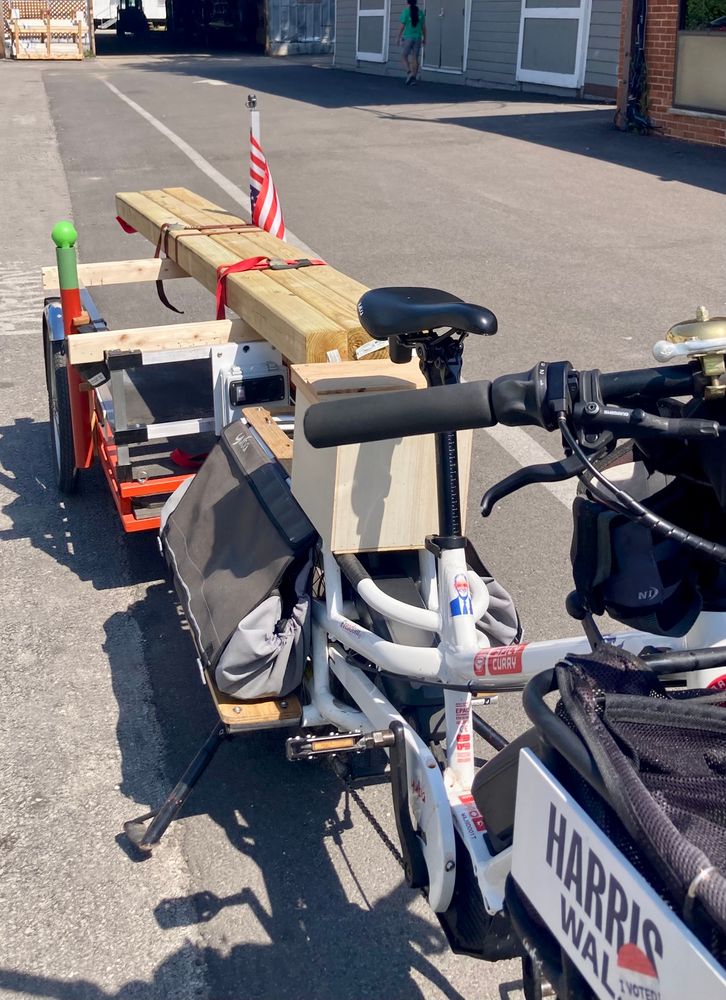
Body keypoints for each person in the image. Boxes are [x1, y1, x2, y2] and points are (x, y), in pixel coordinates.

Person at [397, 0, 426, 85]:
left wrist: (398, 37)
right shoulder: (420, 13)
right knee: (415, 58)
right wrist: (425, 38)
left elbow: (402, 26)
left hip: (408, 37)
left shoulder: (406, 12)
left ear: (408, 3)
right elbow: (423, 27)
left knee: (403, 56)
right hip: (418, 38)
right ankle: (413, 78)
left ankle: (409, 73)